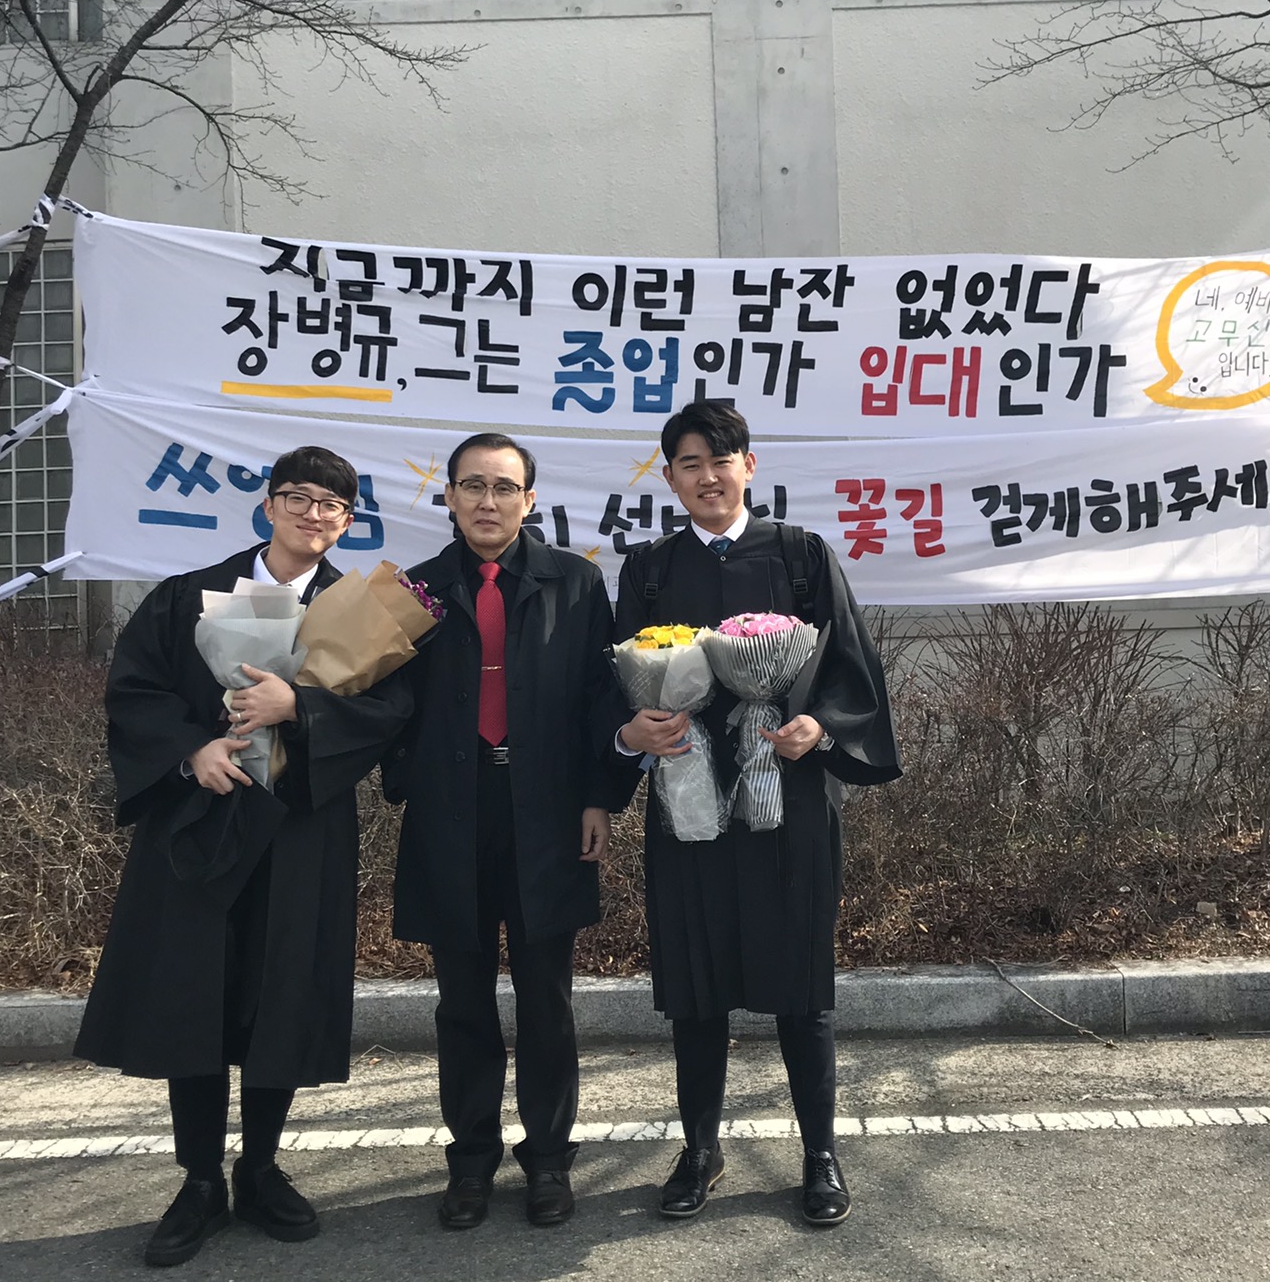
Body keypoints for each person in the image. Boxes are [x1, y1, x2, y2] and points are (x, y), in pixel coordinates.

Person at [74, 446, 413, 1268]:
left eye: (331, 504)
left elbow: (390, 712)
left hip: (299, 830)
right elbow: (135, 691)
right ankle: (199, 1180)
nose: (313, 514)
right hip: (199, 818)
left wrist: (301, 706)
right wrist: (190, 751)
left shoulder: (361, 614)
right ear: (268, 505)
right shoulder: (189, 596)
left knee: (280, 993)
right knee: (194, 992)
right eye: (298, 497)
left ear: (347, 521)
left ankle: (259, 1167)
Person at [617, 400, 901, 1227]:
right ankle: (699, 1150)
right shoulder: (649, 569)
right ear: (670, 478)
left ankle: (820, 1154)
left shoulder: (801, 556)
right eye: (690, 464)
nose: (708, 476)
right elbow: (616, 675)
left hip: (791, 795)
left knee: (802, 985)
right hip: (688, 796)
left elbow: (851, 667)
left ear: (749, 465)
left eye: (721, 459)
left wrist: (823, 727)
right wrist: (633, 731)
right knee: (695, 985)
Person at [382, 431, 633, 1231]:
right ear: (449, 497)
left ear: (530, 499)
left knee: (546, 1000)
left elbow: (601, 698)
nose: (486, 502)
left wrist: (598, 797)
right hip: (450, 814)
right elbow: (386, 705)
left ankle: (549, 1161)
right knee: (461, 1002)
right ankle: (470, 1163)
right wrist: (405, 777)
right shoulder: (416, 592)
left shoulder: (575, 583)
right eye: (472, 486)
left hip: (547, 814)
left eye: (503, 488)